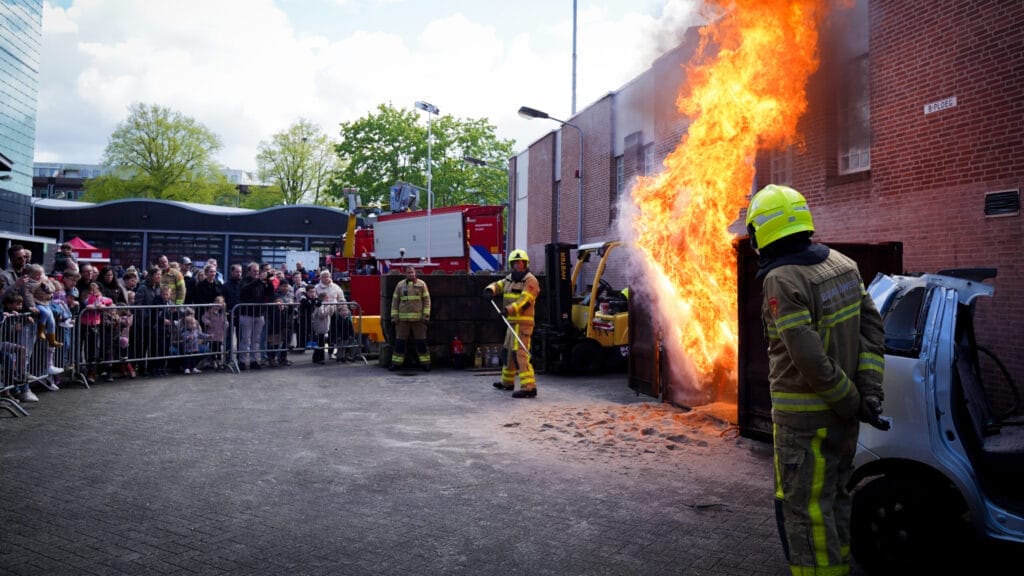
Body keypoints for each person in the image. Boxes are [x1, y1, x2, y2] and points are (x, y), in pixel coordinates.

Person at [745, 184, 886, 576]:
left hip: (806, 427)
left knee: (806, 518)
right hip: (845, 421)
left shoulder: (783, 279)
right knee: (836, 500)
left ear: (763, 232)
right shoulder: (843, 264)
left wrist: (848, 399)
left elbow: (809, 358)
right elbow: (873, 332)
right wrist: (868, 395)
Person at [483, 250, 540, 398]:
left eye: (520, 262)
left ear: (525, 263)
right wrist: (490, 289)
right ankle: (507, 382)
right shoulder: (510, 278)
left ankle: (529, 387)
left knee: (520, 354)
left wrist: (509, 309)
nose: (518, 265)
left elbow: (525, 300)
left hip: (523, 324)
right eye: (515, 263)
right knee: (508, 352)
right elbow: (499, 284)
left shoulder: (530, 280)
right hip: (511, 322)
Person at [388, 266, 431, 371]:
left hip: (419, 321)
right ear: (405, 274)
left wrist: (426, 315)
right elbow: (395, 302)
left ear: (415, 273)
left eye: (412, 272)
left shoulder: (421, 284)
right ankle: (396, 364)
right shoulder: (400, 285)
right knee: (399, 343)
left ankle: (426, 364)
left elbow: (427, 301)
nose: (410, 274)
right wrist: (394, 316)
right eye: (408, 272)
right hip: (402, 321)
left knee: (421, 343)